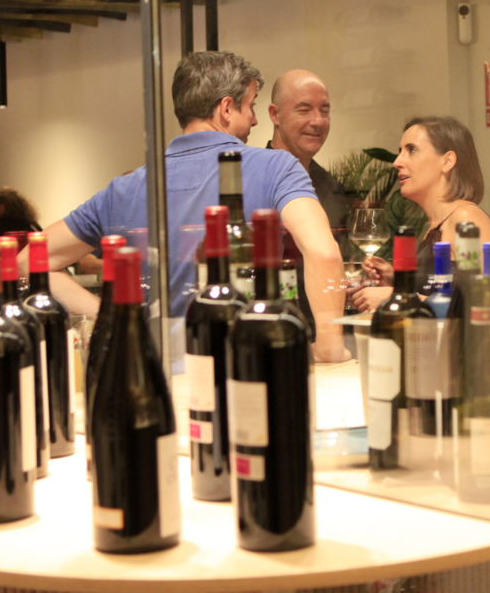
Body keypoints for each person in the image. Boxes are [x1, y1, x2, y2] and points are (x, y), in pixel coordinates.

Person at [25, 51, 349, 364]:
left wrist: (109, 315)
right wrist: (329, 346)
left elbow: (29, 263)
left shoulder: (123, 188)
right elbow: (323, 252)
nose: (253, 119)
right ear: (226, 109)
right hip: (247, 367)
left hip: (152, 370)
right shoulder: (278, 167)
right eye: (250, 106)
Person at [353, 115, 490, 312]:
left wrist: (397, 298)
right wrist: (395, 279)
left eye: (412, 150)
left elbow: (482, 304)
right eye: (400, 151)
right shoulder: (433, 224)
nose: (397, 162)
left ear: (447, 161)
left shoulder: (465, 217)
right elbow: (440, 290)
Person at [267, 69, 349, 234]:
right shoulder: (255, 181)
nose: (318, 121)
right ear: (275, 114)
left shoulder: (332, 188)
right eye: (304, 110)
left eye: (324, 111)